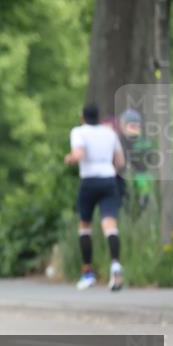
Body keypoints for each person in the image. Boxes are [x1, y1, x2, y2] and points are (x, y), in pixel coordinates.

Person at [64, 103, 126, 291]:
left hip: (89, 181)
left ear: (82, 116)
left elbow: (79, 154)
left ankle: (87, 273)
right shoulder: (110, 133)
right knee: (110, 225)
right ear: (99, 117)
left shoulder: (79, 132)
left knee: (84, 226)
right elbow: (120, 161)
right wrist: (108, 171)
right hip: (109, 180)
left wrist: (70, 158)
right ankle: (115, 265)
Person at [117, 108, 155, 211]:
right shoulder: (145, 140)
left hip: (134, 178)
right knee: (141, 206)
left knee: (133, 206)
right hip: (142, 178)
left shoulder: (123, 140)